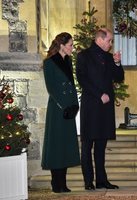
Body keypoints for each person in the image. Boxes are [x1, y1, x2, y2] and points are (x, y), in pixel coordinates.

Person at [76, 28, 124, 190]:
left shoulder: (109, 58)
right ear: (100, 40)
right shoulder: (83, 56)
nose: (111, 44)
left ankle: (102, 180)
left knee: (101, 147)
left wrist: (117, 62)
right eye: (109, 40)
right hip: (91, 106)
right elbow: (82, 79)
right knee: (87, 145)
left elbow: (119, 77)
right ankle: (88, 182)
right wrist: (99, 94)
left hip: (105, 108)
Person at [41, 32, 80, 193]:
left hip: (69, 108)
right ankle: (56, 183)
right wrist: (65, 106)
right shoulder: (49, 62)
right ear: (62, 45)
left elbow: (71, 85)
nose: (72, 48)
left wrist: (75, 105)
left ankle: (62, 183)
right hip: (58, 109)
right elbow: (52, 89)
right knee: (56, 145)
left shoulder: (68, 61)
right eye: (70, 45)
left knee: (65, 145)